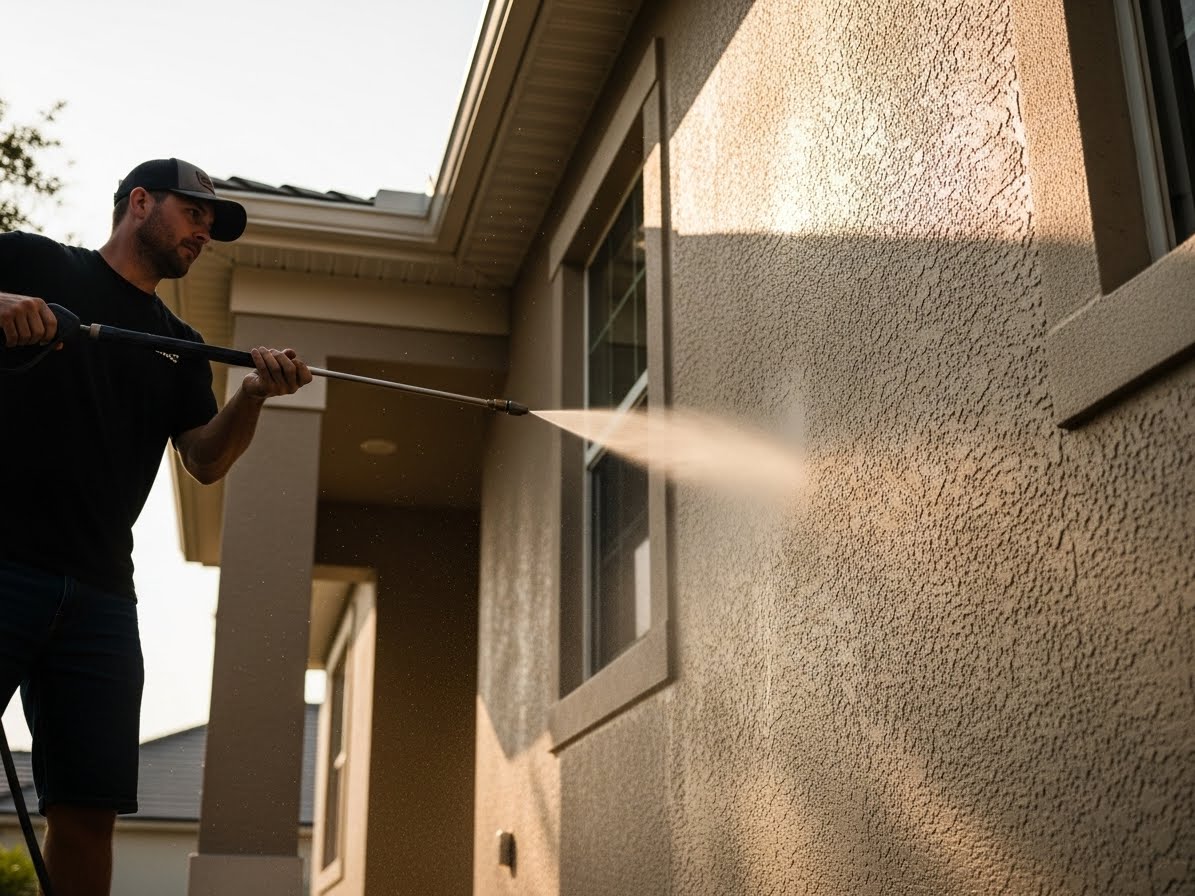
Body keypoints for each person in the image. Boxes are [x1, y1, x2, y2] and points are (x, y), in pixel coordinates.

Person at [0, 158, 312, 896]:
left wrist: (252, 396)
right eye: (193, 213)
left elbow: (204, 459)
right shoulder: (36, 262)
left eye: (211, 224)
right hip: (5, 566)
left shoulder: (181, 343)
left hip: (102, 598)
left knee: (89, 810)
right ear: (139, 202)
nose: (204, 233)